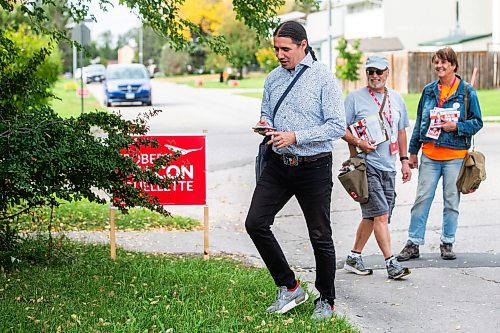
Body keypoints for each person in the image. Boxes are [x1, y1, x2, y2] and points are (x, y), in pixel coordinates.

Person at [245, 21, 346, 320]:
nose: (280, 54)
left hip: (313, 167)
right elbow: (267, 110)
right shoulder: (273, 79)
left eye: (286, 49)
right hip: (278, 164)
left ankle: (326, 299)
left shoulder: (324, 79)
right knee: (255, 223)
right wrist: (265, 124)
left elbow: (337, 126)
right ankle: (288, 286)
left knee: (319, 235)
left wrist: (295, 136)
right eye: (276, 48)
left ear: (303, 46)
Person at [397, 47, 483, 261]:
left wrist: (457, 126)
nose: (439, 66)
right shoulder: (429, 91)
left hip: (455, 157)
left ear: (453, 65)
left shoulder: (466, 91)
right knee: (421, 200)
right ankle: (413, 243)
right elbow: (420, 123)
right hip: (430, 156)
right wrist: (413, 152)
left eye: (444, 62)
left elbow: (477, 122)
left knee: (451, 201)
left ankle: (447, 242)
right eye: (436, 62)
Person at [341, 55, 412, 279]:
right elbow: (340, 129)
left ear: (387, 73)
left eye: (379, 72)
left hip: (389, 166)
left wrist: (404, 161)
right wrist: (360, 143)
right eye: (370, 72)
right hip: (366, 165)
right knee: (380, 214)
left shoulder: (397, 99)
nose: (374, 76)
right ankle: (392, 264)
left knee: (375, 216)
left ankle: (353, 257)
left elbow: (401, 131)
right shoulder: (354, 98)